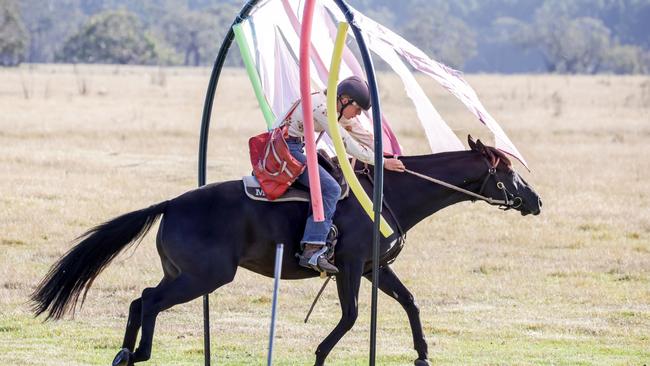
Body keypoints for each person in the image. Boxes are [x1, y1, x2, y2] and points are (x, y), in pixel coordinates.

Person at [283, 76, 405, 274]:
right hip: (287, 151)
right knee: (331, 188)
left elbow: (360, 133)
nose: (357, 115)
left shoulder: (332, 106)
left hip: (293, 147)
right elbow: (346, 143)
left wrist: (387, 152)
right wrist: (382, 163)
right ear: (345, 99)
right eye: (357, 109)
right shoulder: (323, 109)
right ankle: (312, 248)